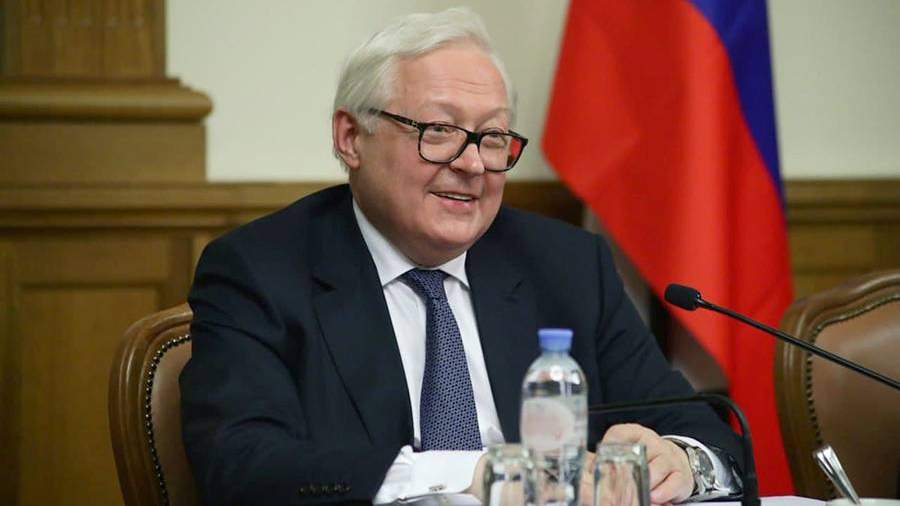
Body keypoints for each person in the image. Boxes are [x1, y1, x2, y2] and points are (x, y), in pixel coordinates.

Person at [180, 7, 743, 506]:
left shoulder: (567, 265)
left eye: (492, 137)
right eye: (439, 131)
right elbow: (241, 464)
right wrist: (470, 475)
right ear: (351, 138)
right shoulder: (260, 271)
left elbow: (707, 432)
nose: (472, 164)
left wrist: (682, 461)